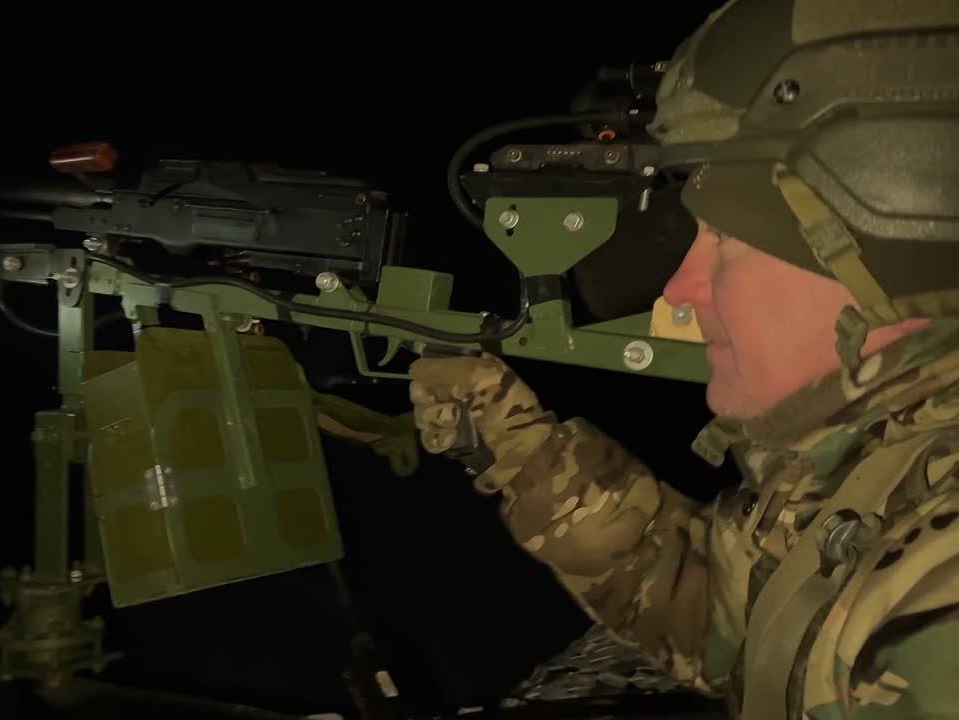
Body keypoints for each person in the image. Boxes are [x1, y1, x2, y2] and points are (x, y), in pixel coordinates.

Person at [408, 2, 959, 718]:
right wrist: (513, 443)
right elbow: (717, 616)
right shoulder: (874, 463)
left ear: (883, 237)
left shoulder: (937, 618)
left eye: (726, 240)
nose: (679, 288)